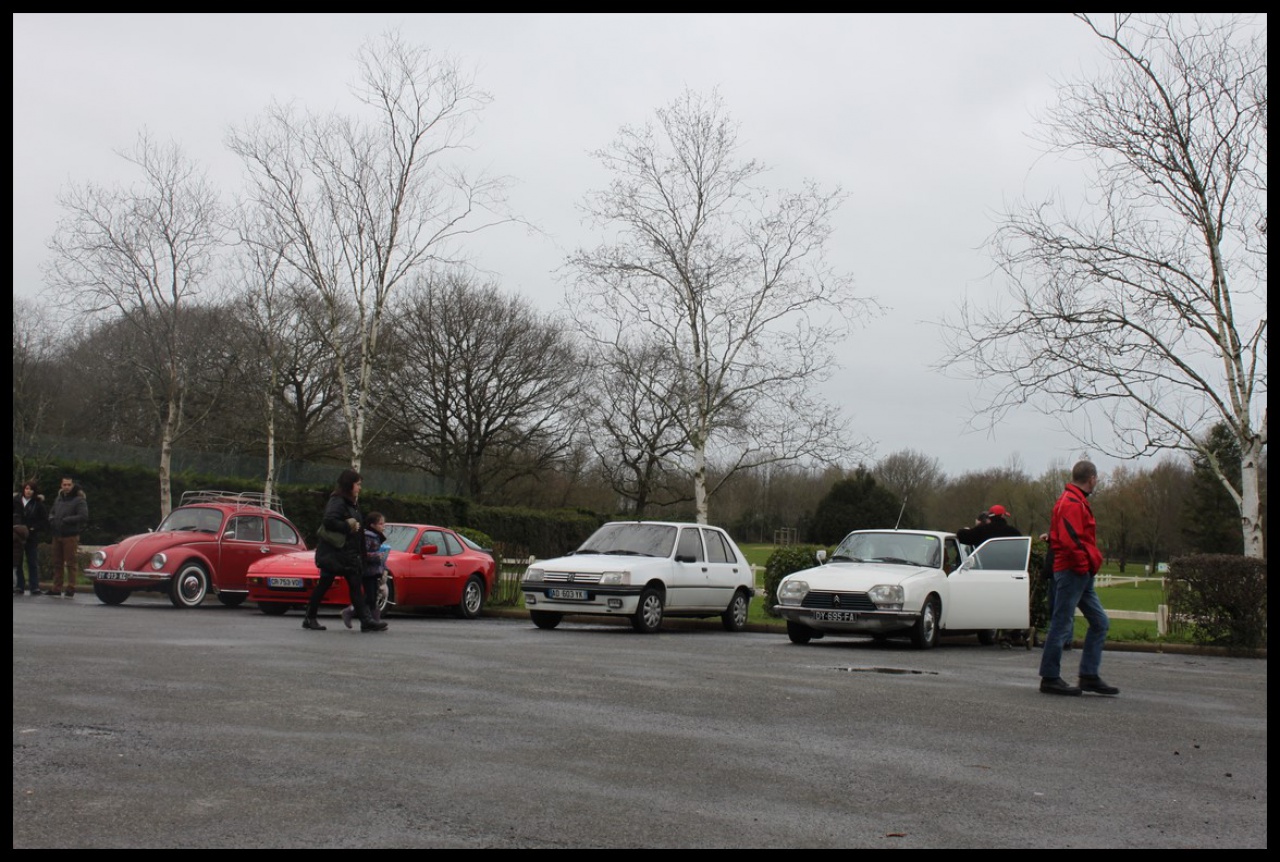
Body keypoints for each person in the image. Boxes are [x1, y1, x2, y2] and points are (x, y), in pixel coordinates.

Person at [1039, 460, 1118, 696]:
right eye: (1096, 479)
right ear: (1091, 478)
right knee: (1061, 624)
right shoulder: (1072, 503)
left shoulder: (1073, 501)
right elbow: (1071, 540)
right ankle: (1050, 677)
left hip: (1078, 572)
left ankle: (1088, 675)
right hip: (1073, 571)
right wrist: (1084, 566)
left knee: (1100, 622)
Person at [302, 469, 388, 633]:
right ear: (349, 484)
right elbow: (329, 521)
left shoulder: (350, 502)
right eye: (358, 484)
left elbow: (357, 530)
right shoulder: (338, 501)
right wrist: (348, 525)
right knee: (325, 585)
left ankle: (365, 620)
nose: (359, 488)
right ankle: (310, 617)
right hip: (334, 553)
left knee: (355, 585)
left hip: (347, 554)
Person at [343, 511, 389, 629]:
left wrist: (384, 567)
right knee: (370, 597)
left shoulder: (377, 536)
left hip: (375, 571)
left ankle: (373, 621)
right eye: (380, 524)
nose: (383, 526)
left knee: (373, 597)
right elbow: (364, 553)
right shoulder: (369, 536)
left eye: (383, 523)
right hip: (368, 571)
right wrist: (376, 556)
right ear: (372, 525)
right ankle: (352, 612)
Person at [48, 476, 88, 598]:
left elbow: (83, 516)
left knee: (71, 563)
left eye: (69, 485)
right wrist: (51, 519)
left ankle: (71, 587)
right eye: (64, 484)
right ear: (61, 485)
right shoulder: (58, 499)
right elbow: (52, 512)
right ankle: (57, 587)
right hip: (57, 534)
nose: (66, 487)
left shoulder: (79, 500)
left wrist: (67, 520)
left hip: (70, 535)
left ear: (72, 485)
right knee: (57, 563)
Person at [13, 481, 48, 594]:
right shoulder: (16, 502)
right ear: (23, 489)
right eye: (27, 488)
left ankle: (34, 586)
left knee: (32, 561)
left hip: (31, 536)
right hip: (17, 537)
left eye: (31, 489)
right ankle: (19, 585)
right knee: (18, 562)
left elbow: (44, 521)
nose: (28, 491)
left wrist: (33, 528)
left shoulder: (38, 504)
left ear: (34, 491)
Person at [955, 504, 1021, 547]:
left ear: (990, 517)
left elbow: (961, 535)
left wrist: (976, 526)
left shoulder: (982, 531)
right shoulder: (1014, 532)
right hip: (1011, 567)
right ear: (1002, 516)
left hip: (986, 567)